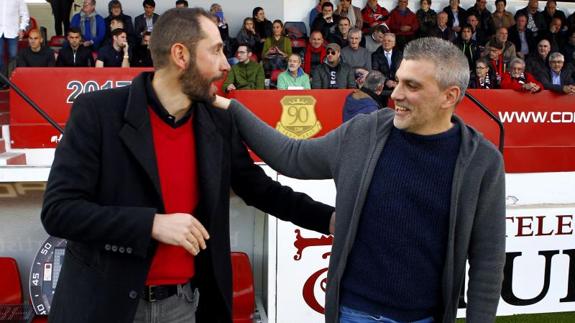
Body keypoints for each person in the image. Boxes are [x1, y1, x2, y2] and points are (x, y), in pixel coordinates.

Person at [41, 8, 335, 323]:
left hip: (182, 307)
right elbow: (59, 211)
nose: (226, 65)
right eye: (217, 50)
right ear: (181, 55)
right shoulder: (98, 113)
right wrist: (151, 224)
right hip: (103, 305)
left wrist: (332, 220)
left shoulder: (217, 123)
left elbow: (262, 190)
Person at [213, 36, 506, 323]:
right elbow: (292, 156)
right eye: (399, 80)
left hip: (425, 316)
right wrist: (232, 108)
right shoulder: (364, 132)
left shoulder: (482, 161)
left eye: (412, 86)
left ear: (449, 96)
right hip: (353, 313)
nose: (395, 94)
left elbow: (487, 261)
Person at [0, 0, 29, 88]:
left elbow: (25, 14)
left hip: (13, 30)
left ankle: (13, 81)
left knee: (13, 56)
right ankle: (2, 81)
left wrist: (22, 28)